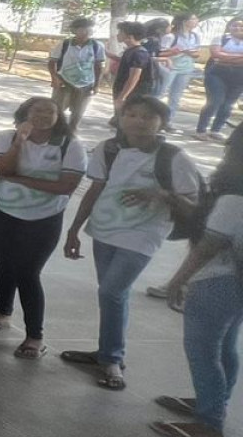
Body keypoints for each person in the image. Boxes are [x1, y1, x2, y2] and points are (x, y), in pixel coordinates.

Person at [61, 96, 204, 391]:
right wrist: (75, 227)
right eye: (133, 114)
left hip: (143, 235)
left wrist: (162, 195)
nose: (139, 121)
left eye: (149, 117)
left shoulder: (173, 157)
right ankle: (106, 352)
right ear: (121, 117)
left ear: (162, 122)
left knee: (112, 291)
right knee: (113, 294)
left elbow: (195, 206)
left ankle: (113, 358)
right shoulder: (108, 149)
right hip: (104, 229)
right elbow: (95, 189)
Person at [0, 96, 86, 358]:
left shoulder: (70, 145)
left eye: (50, 111)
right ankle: (2, 313)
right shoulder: (7, 136)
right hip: (0, 208)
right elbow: (2, 169)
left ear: (59, 117)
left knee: (28, 272)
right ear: (24, 113)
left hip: (43, 217)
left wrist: (20, 179)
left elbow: (66, 186)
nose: (43, 115)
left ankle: (35, 336)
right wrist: (20, 142)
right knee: (2, 262)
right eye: (37, 110)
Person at [154, 131, 243, 437]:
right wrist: (175, 199)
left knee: (203, 351)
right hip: (237, 283)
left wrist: (178, 280)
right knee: (225, 346)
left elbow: (209, 245)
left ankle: (209, 423)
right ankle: (213, 402)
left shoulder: (234, 196)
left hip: (217, 280)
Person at [47, 16, 105, 136]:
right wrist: (54, 78)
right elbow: (52, 62)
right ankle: (53, 134)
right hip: (64, 83)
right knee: (56, 112)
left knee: (77, 114)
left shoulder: (97, 46)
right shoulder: (65, 44)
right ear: (75, 30)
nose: (87, 32)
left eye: (89, 29)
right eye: (83, 29)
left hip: (86, 85)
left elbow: (99, 66)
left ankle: (70, 138)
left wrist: (96, 85)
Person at [156, 13, 203, 127]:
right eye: (193, 18)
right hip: (170, 68)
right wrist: (177, 52)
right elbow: (160, 53)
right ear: (183, 21)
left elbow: (197, 52)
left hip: (186, 68)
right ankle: (153, 118)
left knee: (176, 96)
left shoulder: (195, 36)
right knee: (160, 93)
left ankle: (167, 121)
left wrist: (192, 53)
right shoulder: (171, 36)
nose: (196, 21)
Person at [200, 18, 243, 140]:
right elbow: (216, 55)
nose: (238, 29)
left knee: (228, 104)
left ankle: (216, 129)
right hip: (218, 73)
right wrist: (239, 58)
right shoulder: (220, 38)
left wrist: (227, 57)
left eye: (241, 27)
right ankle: (201, 130)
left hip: (239, 76)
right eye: (235, 26)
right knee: (215, 100)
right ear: (229, 26)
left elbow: (222, 56)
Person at [109, 21, 157, 115]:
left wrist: (123, 96)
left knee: (127, 121)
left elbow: (134, 77)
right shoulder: (130, 50)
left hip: (134, 95)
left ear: (129, 36)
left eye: (120, 32)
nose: (118, 35)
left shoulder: (139, 53)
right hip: (124, 91)